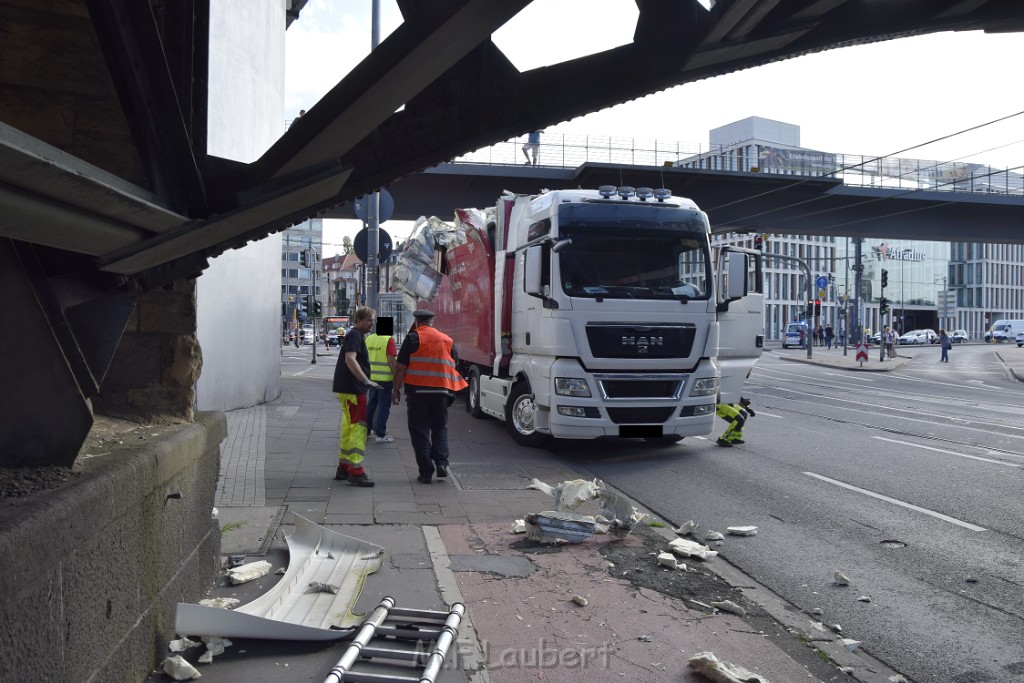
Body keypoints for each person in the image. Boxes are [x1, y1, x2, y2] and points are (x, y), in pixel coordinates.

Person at [392, 309, 468, 484]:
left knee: (419, 431)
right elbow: (453, 365)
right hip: (441, 392)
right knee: (439, 427)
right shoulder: (447, 340)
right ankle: (441, 463)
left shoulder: (412, 338)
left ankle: (426, 472)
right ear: (432, 321)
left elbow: (400, 367)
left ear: (417, 322)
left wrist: (395, 390)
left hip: (417, 393)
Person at [331, 306, 380, 487]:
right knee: (359, 428)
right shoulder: (355, 335)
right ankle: (356, 471)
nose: (371, 324)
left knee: (348, 427)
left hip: (346, 389)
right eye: (368, 320)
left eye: (372, 320)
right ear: (358, 320)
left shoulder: (355, 335)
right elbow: (350, 358)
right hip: (354, 389)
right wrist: (365, 380)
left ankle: (344, 468)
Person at [364, 317, 398, 444]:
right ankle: (381, 434)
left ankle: (366, 431)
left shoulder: (369, 339)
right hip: (385, 379)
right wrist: (397, 378)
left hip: (371, 378)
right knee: (384, 406)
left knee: (371, 404)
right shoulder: (388, 340)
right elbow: (392, 361)